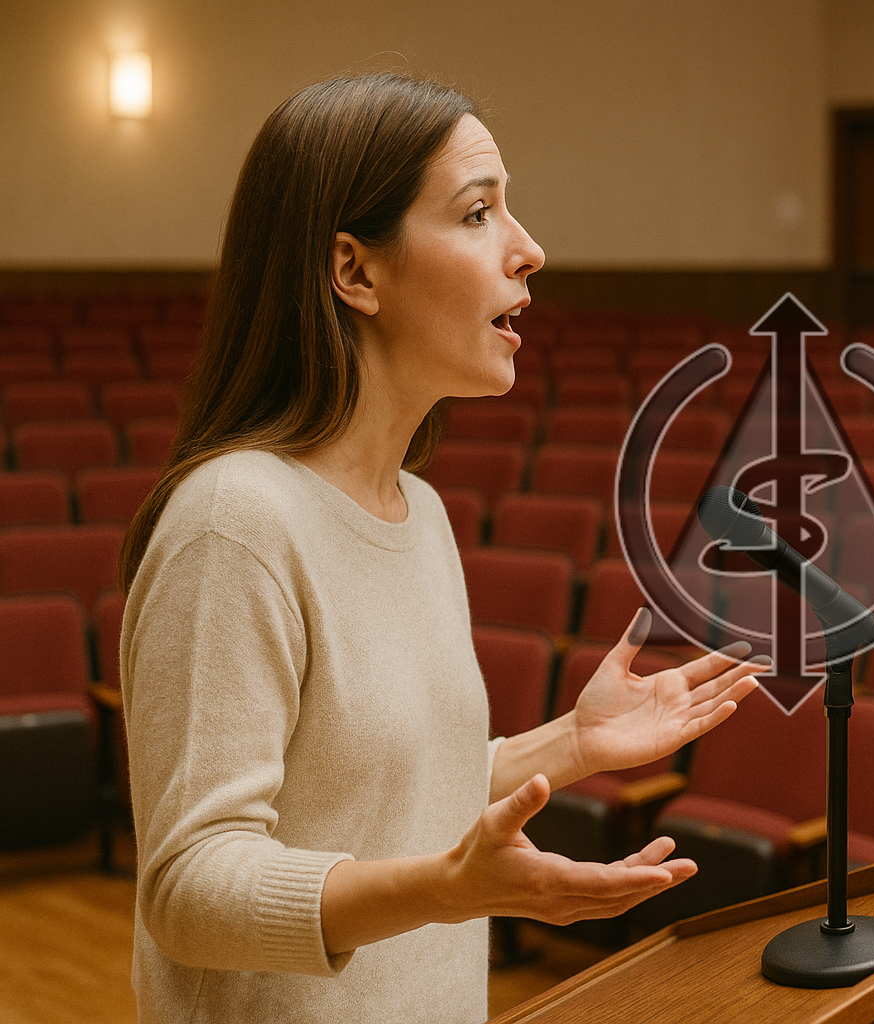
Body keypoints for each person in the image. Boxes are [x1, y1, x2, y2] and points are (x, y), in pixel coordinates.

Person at [117, 72, 766, 1024]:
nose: (529, 249)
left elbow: (389, 797)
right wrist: (449, 890)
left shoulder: (418, 511)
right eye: (477, 214)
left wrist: (573, 745)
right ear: (356, 272)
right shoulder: (234, 523)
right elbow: (190, 891)